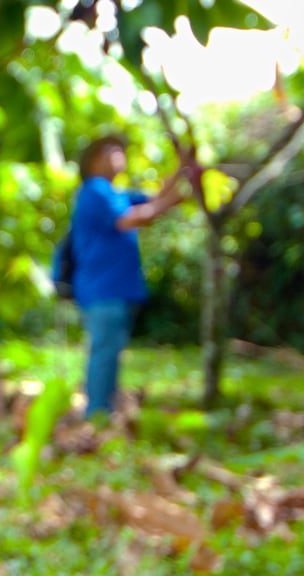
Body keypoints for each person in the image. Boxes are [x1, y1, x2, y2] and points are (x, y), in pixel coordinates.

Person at [70, 135, 187, 419]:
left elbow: (152, 201)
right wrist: (180, 196)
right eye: (113, 150)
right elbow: (134, 218)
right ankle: (96, 413)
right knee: (104, 351)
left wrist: (183, 168)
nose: (120, 154)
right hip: (102, 288)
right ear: (95, 158)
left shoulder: (113, 193)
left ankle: (103, 410)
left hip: (114, 288)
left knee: (110, 351)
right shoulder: (95, 191)